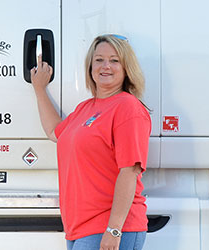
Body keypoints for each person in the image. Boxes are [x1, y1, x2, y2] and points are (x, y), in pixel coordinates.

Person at [30, 34, 150, 250]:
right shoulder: (85, 109)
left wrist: (113, 230)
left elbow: (129, 172)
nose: (106, 66)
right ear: (90, 66)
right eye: (99, 60)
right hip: (80, 229)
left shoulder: (127, 108)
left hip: (109, 229)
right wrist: (39, 89)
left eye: (115, 60)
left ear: (126, 68)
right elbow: (54, 132)